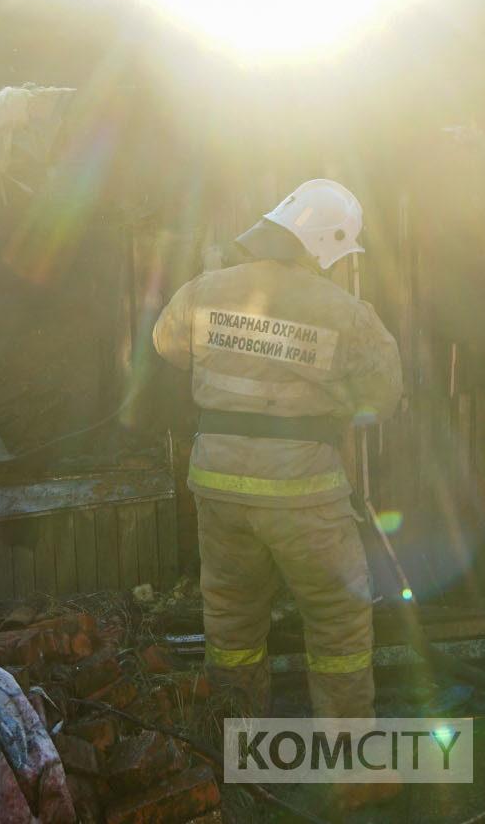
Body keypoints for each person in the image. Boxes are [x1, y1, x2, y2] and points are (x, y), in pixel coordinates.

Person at [152, 179, 403, 723]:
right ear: (325, 246)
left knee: (231, 622)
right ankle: (350, 763)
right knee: (338, 617)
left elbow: (167, 347)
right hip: (304, 493)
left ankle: (237, 750)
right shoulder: (346, 312)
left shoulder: (203, 289)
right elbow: (381, 399)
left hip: (217, 485)